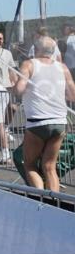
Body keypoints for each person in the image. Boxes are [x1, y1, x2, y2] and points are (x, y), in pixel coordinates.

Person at [14, 36, 75, 192]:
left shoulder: (29, 64)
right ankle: (55, 201)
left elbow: (19, 90)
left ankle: (41, 201)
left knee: (29, 164)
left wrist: (18, 82)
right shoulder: (62, 68)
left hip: (38, 122)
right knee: (49, 166)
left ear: (36, 49)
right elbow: (72, 95)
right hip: (59, 121)